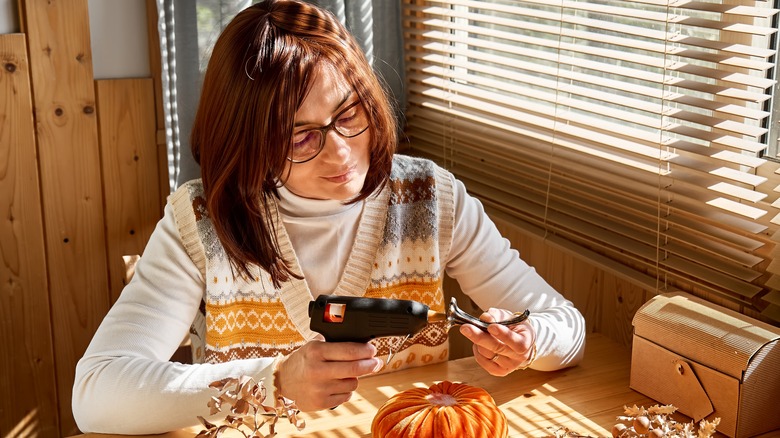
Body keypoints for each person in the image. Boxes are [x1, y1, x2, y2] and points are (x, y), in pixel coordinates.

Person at [72, 0, 586, 434]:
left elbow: (569, 327)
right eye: (301, 137)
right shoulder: (205, 221)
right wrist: (275, 381)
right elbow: (96, 393)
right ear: (248, 142)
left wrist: (528, 341)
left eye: (349, 115)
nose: (341, 154)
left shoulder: (429, 199)